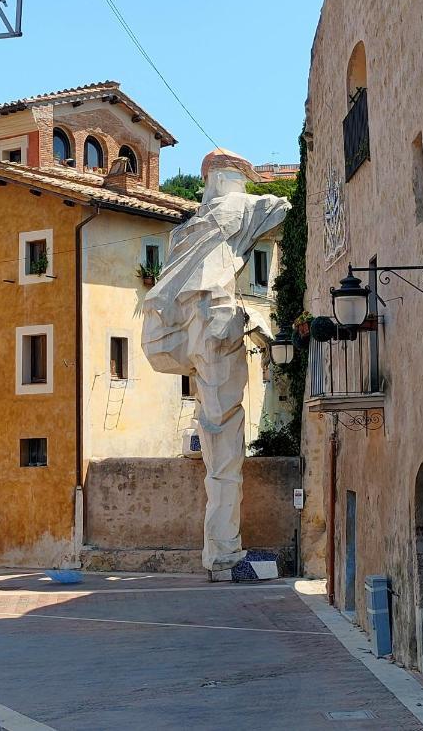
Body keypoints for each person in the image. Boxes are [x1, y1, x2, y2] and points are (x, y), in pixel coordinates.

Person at [143, 149, 290, 578]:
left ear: (208, 178)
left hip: (197, 326)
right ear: (239, 177)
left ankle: (219, 552)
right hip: (220, 321)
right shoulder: (242, 207)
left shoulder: (189, 229)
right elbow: (288, 209)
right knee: (224, 443)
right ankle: (225, 554)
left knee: (214, 436)